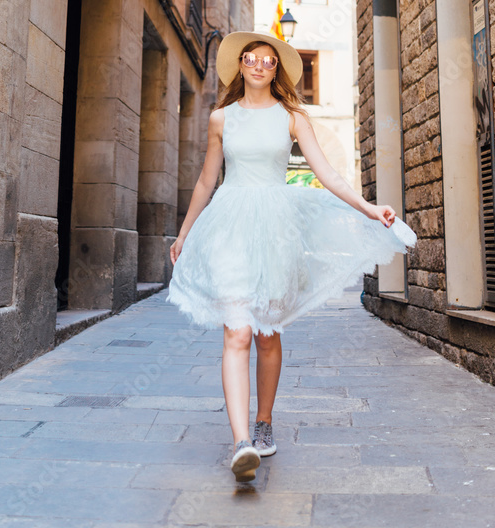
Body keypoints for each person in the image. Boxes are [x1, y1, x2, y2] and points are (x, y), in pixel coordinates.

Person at [167, 31, 416, 483]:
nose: (259, 65)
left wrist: (369, 207)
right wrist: (184, 234)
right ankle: (242, 442)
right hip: (229, 227)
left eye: (268, 60)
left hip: (276, 230)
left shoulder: (292, 116)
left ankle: (263, 423)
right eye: (251, 59)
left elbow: (327, 174)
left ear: (276, 69)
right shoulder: (220, 118)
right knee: (236, 332)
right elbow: (206, 181)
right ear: (239, 66)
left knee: (266, 334)